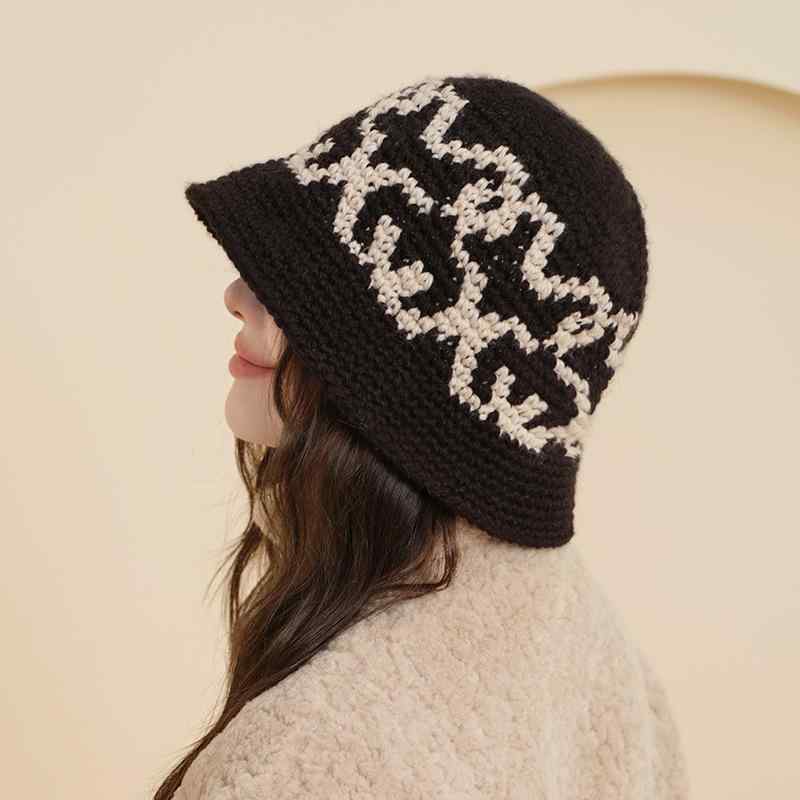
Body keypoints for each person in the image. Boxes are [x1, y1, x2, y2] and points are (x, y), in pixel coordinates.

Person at [154, 73, 690, 799]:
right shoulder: (606, 674)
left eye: (307, 289)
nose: (237, 294)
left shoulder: (311, 758)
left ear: (414, 385)